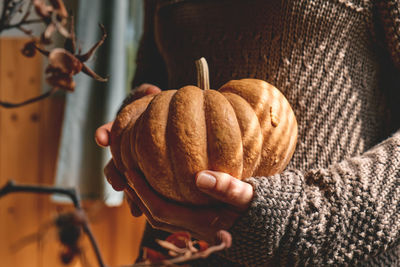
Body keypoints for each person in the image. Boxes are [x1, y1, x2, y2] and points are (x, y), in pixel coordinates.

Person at [95, 0, 400, 265]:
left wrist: (308, 220)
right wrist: (135, 134)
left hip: (334, 252)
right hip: (176, 251)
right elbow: (156, 71)